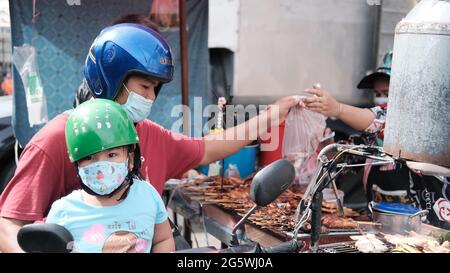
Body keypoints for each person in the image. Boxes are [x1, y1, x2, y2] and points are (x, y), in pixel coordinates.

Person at [0, 23, 303, 252]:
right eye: (144, 86)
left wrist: (272, 116)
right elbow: (8, 225)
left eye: (156, 90)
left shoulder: (146, 133)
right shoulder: (56, 138)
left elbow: (208, 147)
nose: (150, 98)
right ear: (109, 79)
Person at [303, 51, 449, 229]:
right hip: (381, 228)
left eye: (387, 92)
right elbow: (341, 161)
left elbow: (381, 119)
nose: (381, 99)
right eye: (377, 93)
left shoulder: (426, 124)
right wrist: (324, 140)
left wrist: (338, 109)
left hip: (428, 230)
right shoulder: (370, 139)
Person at [46, 99, 174, 253]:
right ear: (77, 164)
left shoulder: (148, 196)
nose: (101, 166)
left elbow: (163, 239)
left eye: (112, 155)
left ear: (131, 158)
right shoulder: (63, 211)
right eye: (89, 158)